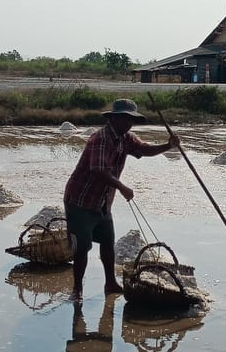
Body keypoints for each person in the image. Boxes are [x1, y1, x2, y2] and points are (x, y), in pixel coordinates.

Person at [64, 98, 180, 300]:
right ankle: (77, 290)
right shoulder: (99, 139)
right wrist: (122, 187)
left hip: (102, 202)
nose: (129, 124)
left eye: (131, 120)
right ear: (114, 118)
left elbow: (144, 150)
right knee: (82, 248)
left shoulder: (126, 138)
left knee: (108, 243)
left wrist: (168, 146)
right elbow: (98, 171)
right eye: (125, 119)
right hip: (80, 201)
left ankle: (110, 283)